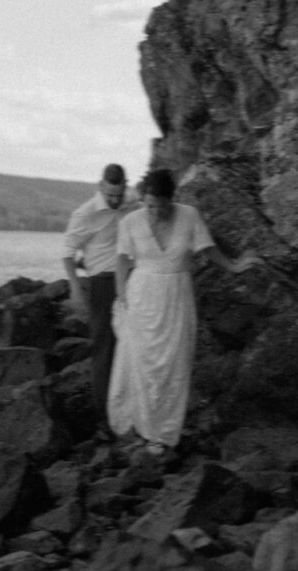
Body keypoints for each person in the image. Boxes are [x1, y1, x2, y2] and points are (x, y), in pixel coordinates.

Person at [108, 168, 263, 455]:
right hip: (141, 296)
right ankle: (141, 426)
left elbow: (208, 250)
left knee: (173, 365)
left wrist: (235, 265)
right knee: (142, 362)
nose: (152, 212)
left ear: (171, 199)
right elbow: (120, 261)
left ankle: (162, 433)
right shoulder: (130, 221)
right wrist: (121, 299)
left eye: (159, 205)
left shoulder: (189, 216)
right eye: (148, 205)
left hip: (177, 296)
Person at [62, 163, 139, 442]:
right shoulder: (85, 214)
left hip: (133, 279)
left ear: (124, 186)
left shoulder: (132, 204)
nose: (116, 200)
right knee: (104, 349)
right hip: (102, 284)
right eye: (111, 195)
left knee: (132, 346)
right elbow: (68, 252)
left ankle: (132, 412)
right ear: (101, 187)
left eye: (119, 194)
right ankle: (103, 418)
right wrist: (75, 288)